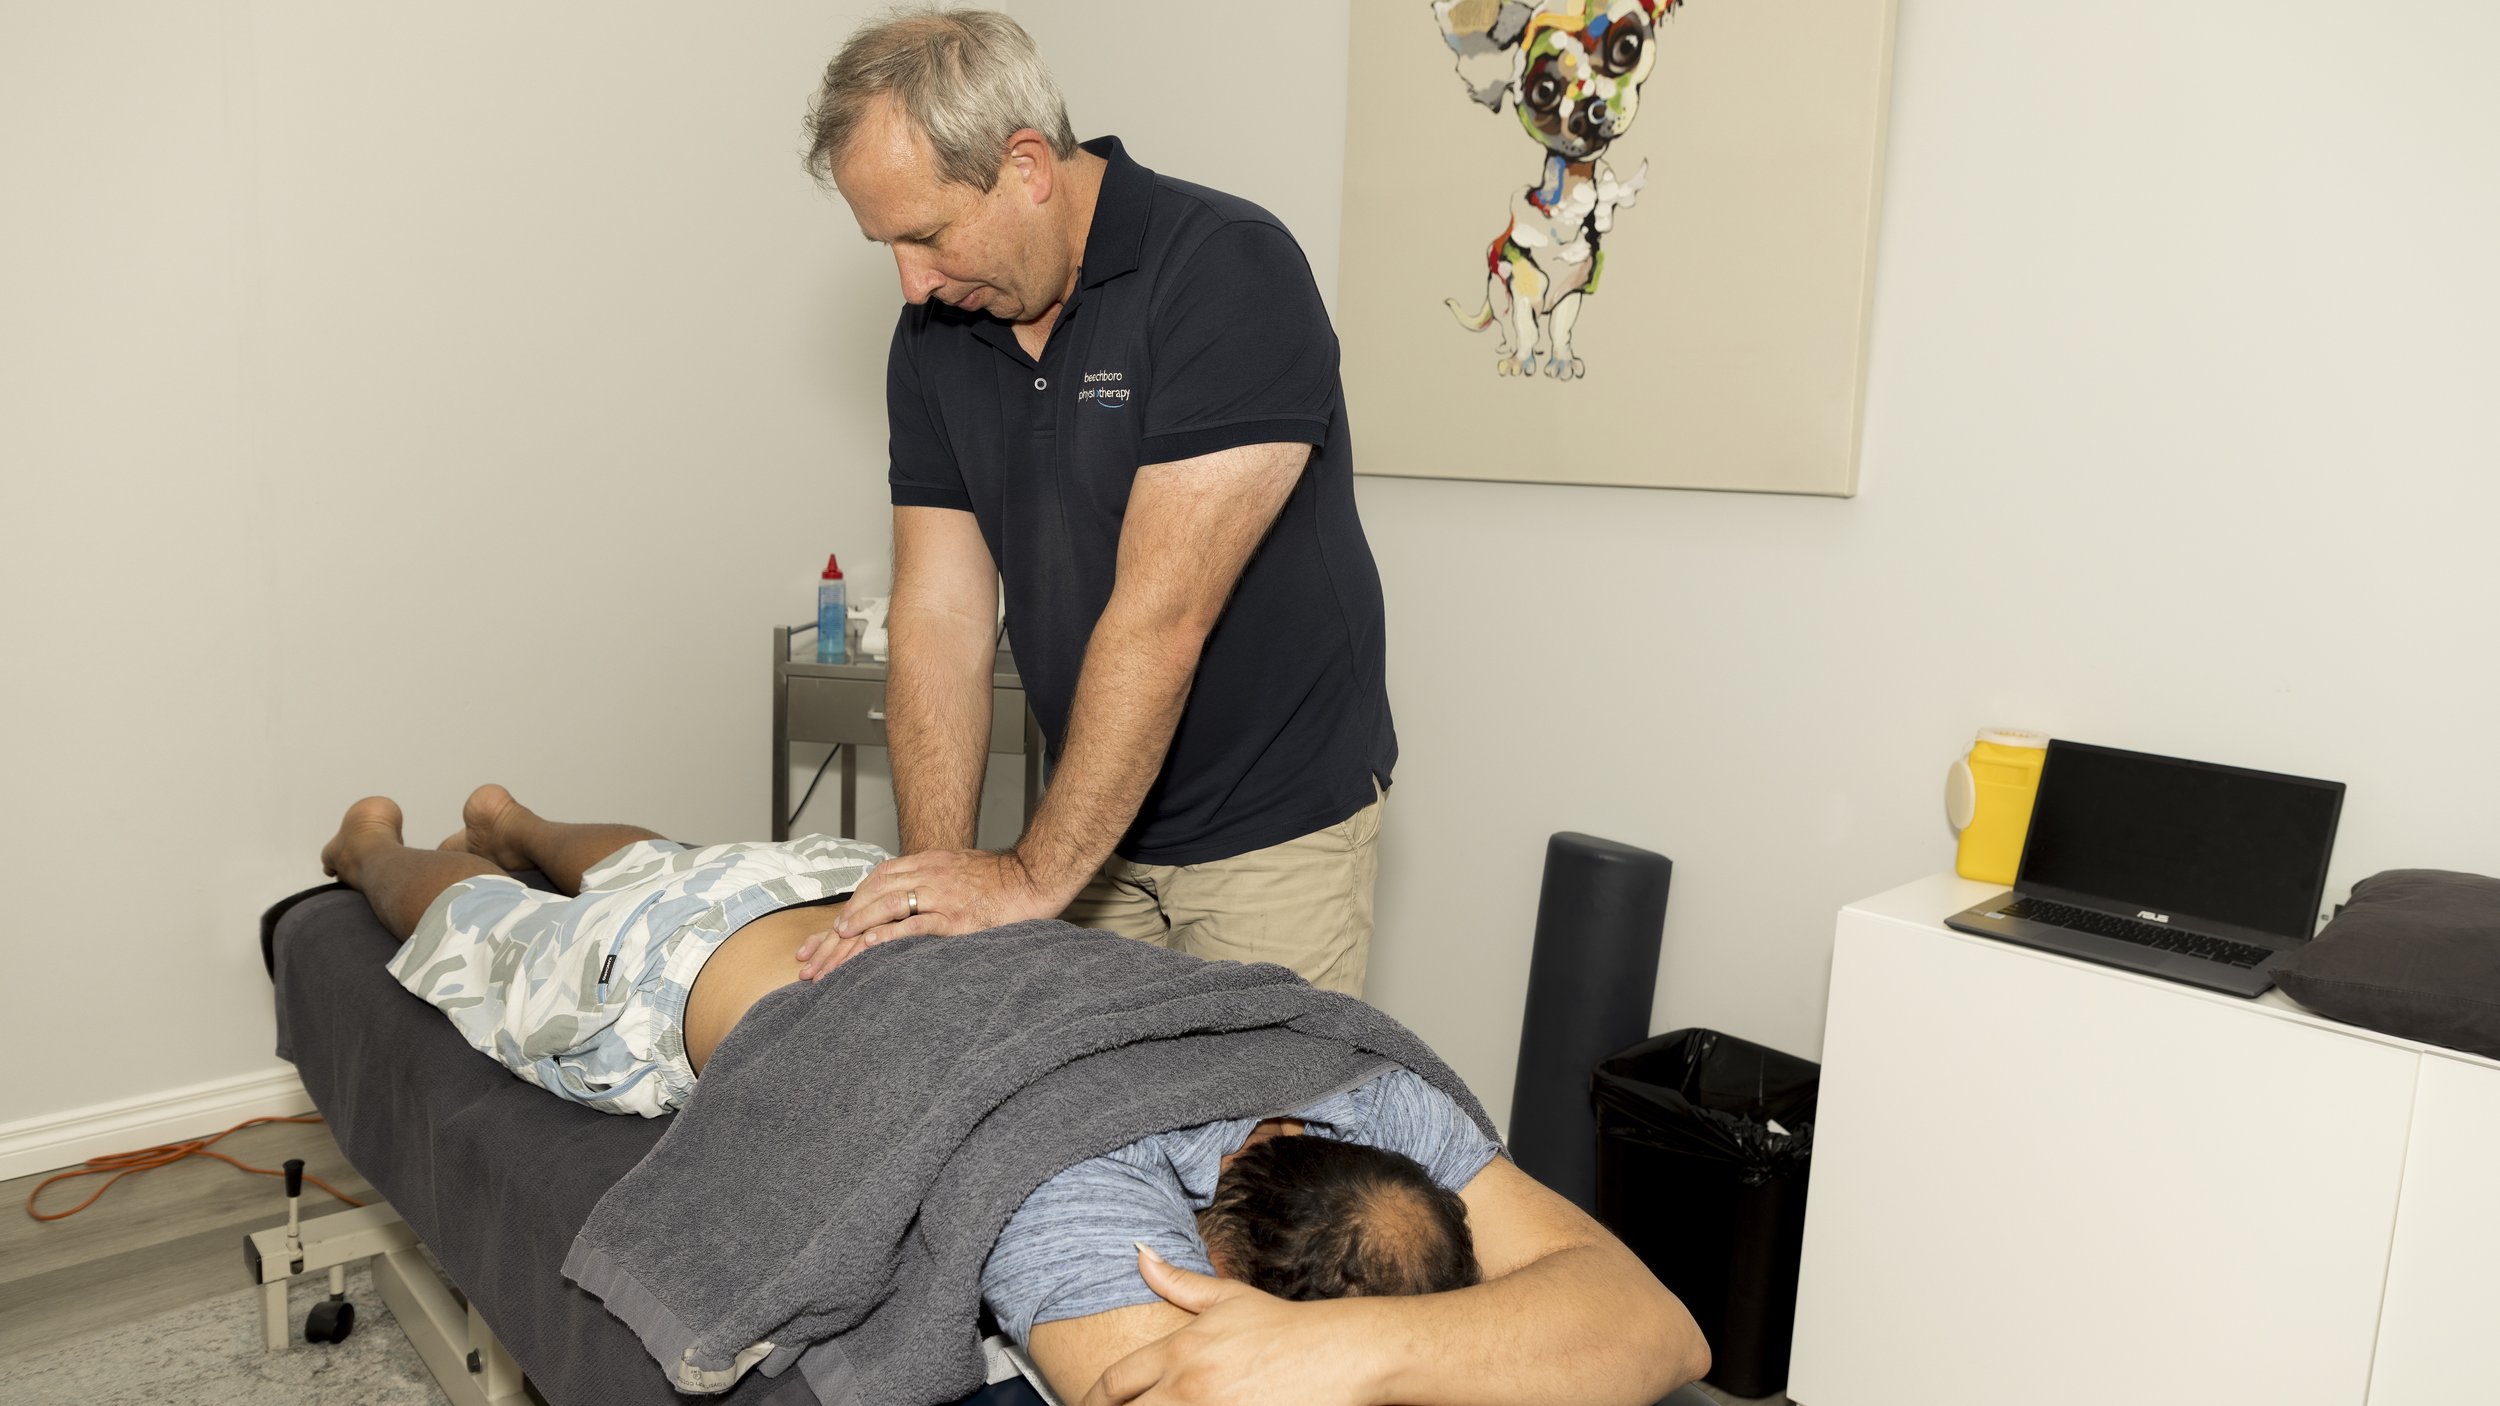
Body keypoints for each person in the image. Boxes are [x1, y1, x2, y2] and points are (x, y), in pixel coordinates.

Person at [318, 787, 1709, 1405]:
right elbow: (1643, 1330)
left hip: (878, 900)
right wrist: (1355, 1359)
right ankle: (374, 845)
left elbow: (1661, 1324)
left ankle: (518, 815)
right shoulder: (1077, 1192)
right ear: (1211, 1262)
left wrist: (1357, 1353)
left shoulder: (1370, 1094)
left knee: (682, 861)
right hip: (665, 975)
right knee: (475, 931)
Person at [792, 9, 1395, 996]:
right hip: (1091, 822)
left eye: (927, 234)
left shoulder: (1228, 273)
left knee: (1252, 1105)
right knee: (1059, 1089)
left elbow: (1161, 615)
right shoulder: (936, 337)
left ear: (1026, 165)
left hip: (1272, 828)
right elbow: (941, 614)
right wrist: (931, 887)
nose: (911, 283)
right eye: (885, 244)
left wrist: (1028, 878)